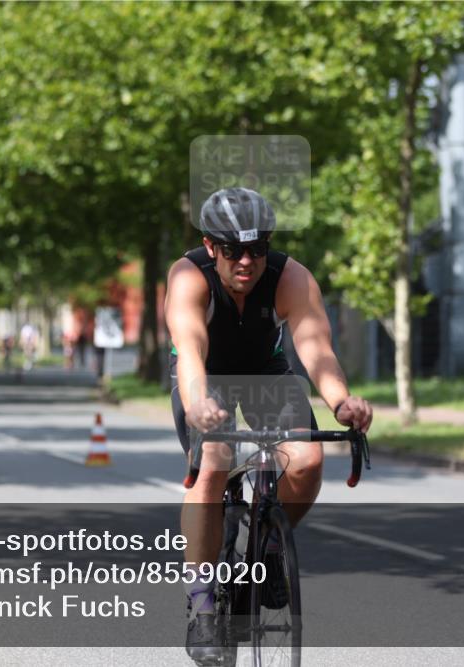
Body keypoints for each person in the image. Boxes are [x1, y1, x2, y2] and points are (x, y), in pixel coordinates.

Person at [165, 187, 373, 663]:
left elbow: (316, 348)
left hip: (266, 373)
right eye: (234, 250)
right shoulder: (188, 276)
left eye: (257, 249)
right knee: (216, 458)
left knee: (307, 458)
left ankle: (266, 547)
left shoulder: (290, 277)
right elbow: (191, 349)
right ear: (211, 245)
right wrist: (198, 404)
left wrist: (341, 402)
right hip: (206, 376)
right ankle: (202, 607)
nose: (246, 261)